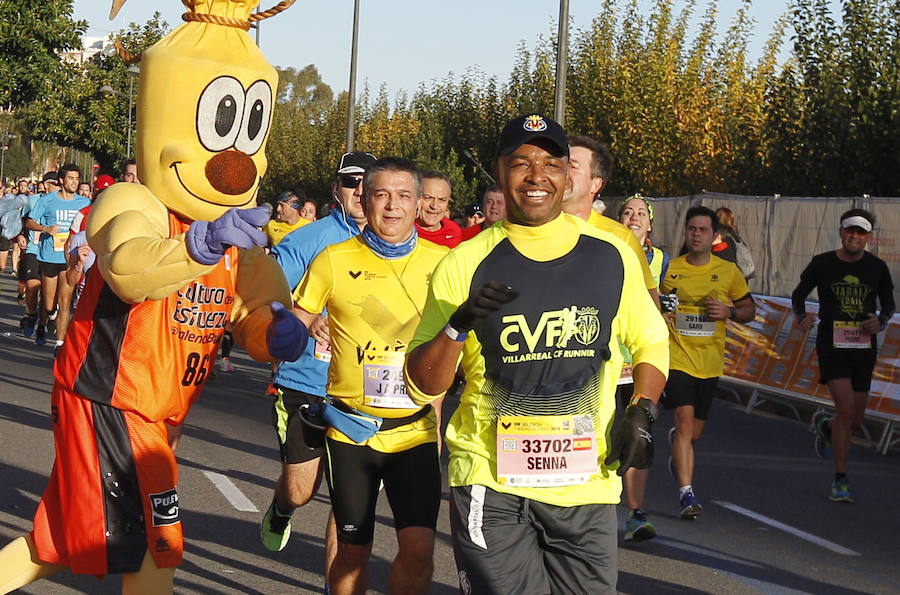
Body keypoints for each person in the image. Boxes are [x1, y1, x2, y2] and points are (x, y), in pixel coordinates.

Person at [405, 114, 669, 593]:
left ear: (568, 175)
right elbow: (423, 382)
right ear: (499, 171)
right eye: (521, 163)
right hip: (493, 481)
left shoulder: (610, 255)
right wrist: (457, 325)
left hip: (587, 486)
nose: (536, 176)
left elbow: (651, 340)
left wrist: (643, 410)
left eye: (550, 164)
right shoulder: (465, 262)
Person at [292, 157, 446, 595]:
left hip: (414, 429)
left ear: (418, 204)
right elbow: (297, 320)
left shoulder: (446, 262)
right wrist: (291, 329)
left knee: (418, 548)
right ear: (366, 200)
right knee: (353, 550)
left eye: (403, 196)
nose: (392, 206)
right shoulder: (334, 259)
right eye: (381, 195)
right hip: (351, 431)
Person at [260, 151, 376, 589]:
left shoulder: (394, 244)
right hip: (305, 380)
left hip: (364, 389)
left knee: (349, 502)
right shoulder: (308, 240)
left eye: (369, 184)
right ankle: (283, 508)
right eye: (352, 184)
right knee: (301, 489)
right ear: (336, 191)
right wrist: (309, 321)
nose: (362, 194)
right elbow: (267, 299)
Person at [791, 209, 894, 503]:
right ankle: (840, 479)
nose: (855, 237)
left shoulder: (877, 267)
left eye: (861, 233)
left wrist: (881, 321)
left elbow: (888, 304)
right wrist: (802, 317)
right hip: (832, 344)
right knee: (846, 410)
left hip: (863, 346)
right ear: (841, 232)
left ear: (869, 238)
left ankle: (826, 426)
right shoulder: (823, 263)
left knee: (856, 420)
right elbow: (799, 295)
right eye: (850, 231)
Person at [659, 205, 756, 519]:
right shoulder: (669, 270)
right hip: (677, 358)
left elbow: (749, 311)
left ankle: (680, 447)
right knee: (684, 423)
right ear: (685, 233)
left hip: (711, 362)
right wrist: (661, 313)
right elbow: (650, 304)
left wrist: (728, 313)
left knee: (693, 433)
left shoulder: (727, 272)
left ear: (715, 236)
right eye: (691, 229)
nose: (696, 234)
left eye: (702, 230)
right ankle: (686, 494)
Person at [616, 194, 670, 541]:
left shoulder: (661, 259)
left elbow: (661, 300)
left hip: (639, 358)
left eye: (640, 213)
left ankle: (636, 512)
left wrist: (667, 307)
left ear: (649, 224)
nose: (634, 217)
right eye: (627, 212)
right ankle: (595, 505)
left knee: (638, 432)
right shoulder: (602, 245)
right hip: (604, 356)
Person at [562, 135, 661, 308]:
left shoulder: (620, 238)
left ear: (595, 185)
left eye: (572, 166)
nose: (562, 172)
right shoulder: (530, 228)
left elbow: (650, 307)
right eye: (560, 164)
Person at [24, 164, 91, 351]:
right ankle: (50, 316)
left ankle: (60, 345)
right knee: (48, 304)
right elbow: (29, 222)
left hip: (70, 259)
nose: (74, 182)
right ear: (61, 180)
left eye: (77, 179)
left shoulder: (84, 203)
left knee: (65, 302)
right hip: (49, 256)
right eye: (71, 178)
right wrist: (46, 229)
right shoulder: (47, 201)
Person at [17, 172, 57, 338]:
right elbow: (22, 220)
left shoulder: (62, 203)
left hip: (53, 253)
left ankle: (42, 324)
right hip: (34, 249)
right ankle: (31, 314)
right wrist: (20, 234)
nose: (57, 186)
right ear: (46, 184)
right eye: (54, 183)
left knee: (48, 297)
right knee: (33, 288)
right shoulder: (32, 201)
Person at [414, 170, 462, 248]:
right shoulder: (403, 230)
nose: (434, 206)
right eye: (428, 197)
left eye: (442, 200)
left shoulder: (454, 232)